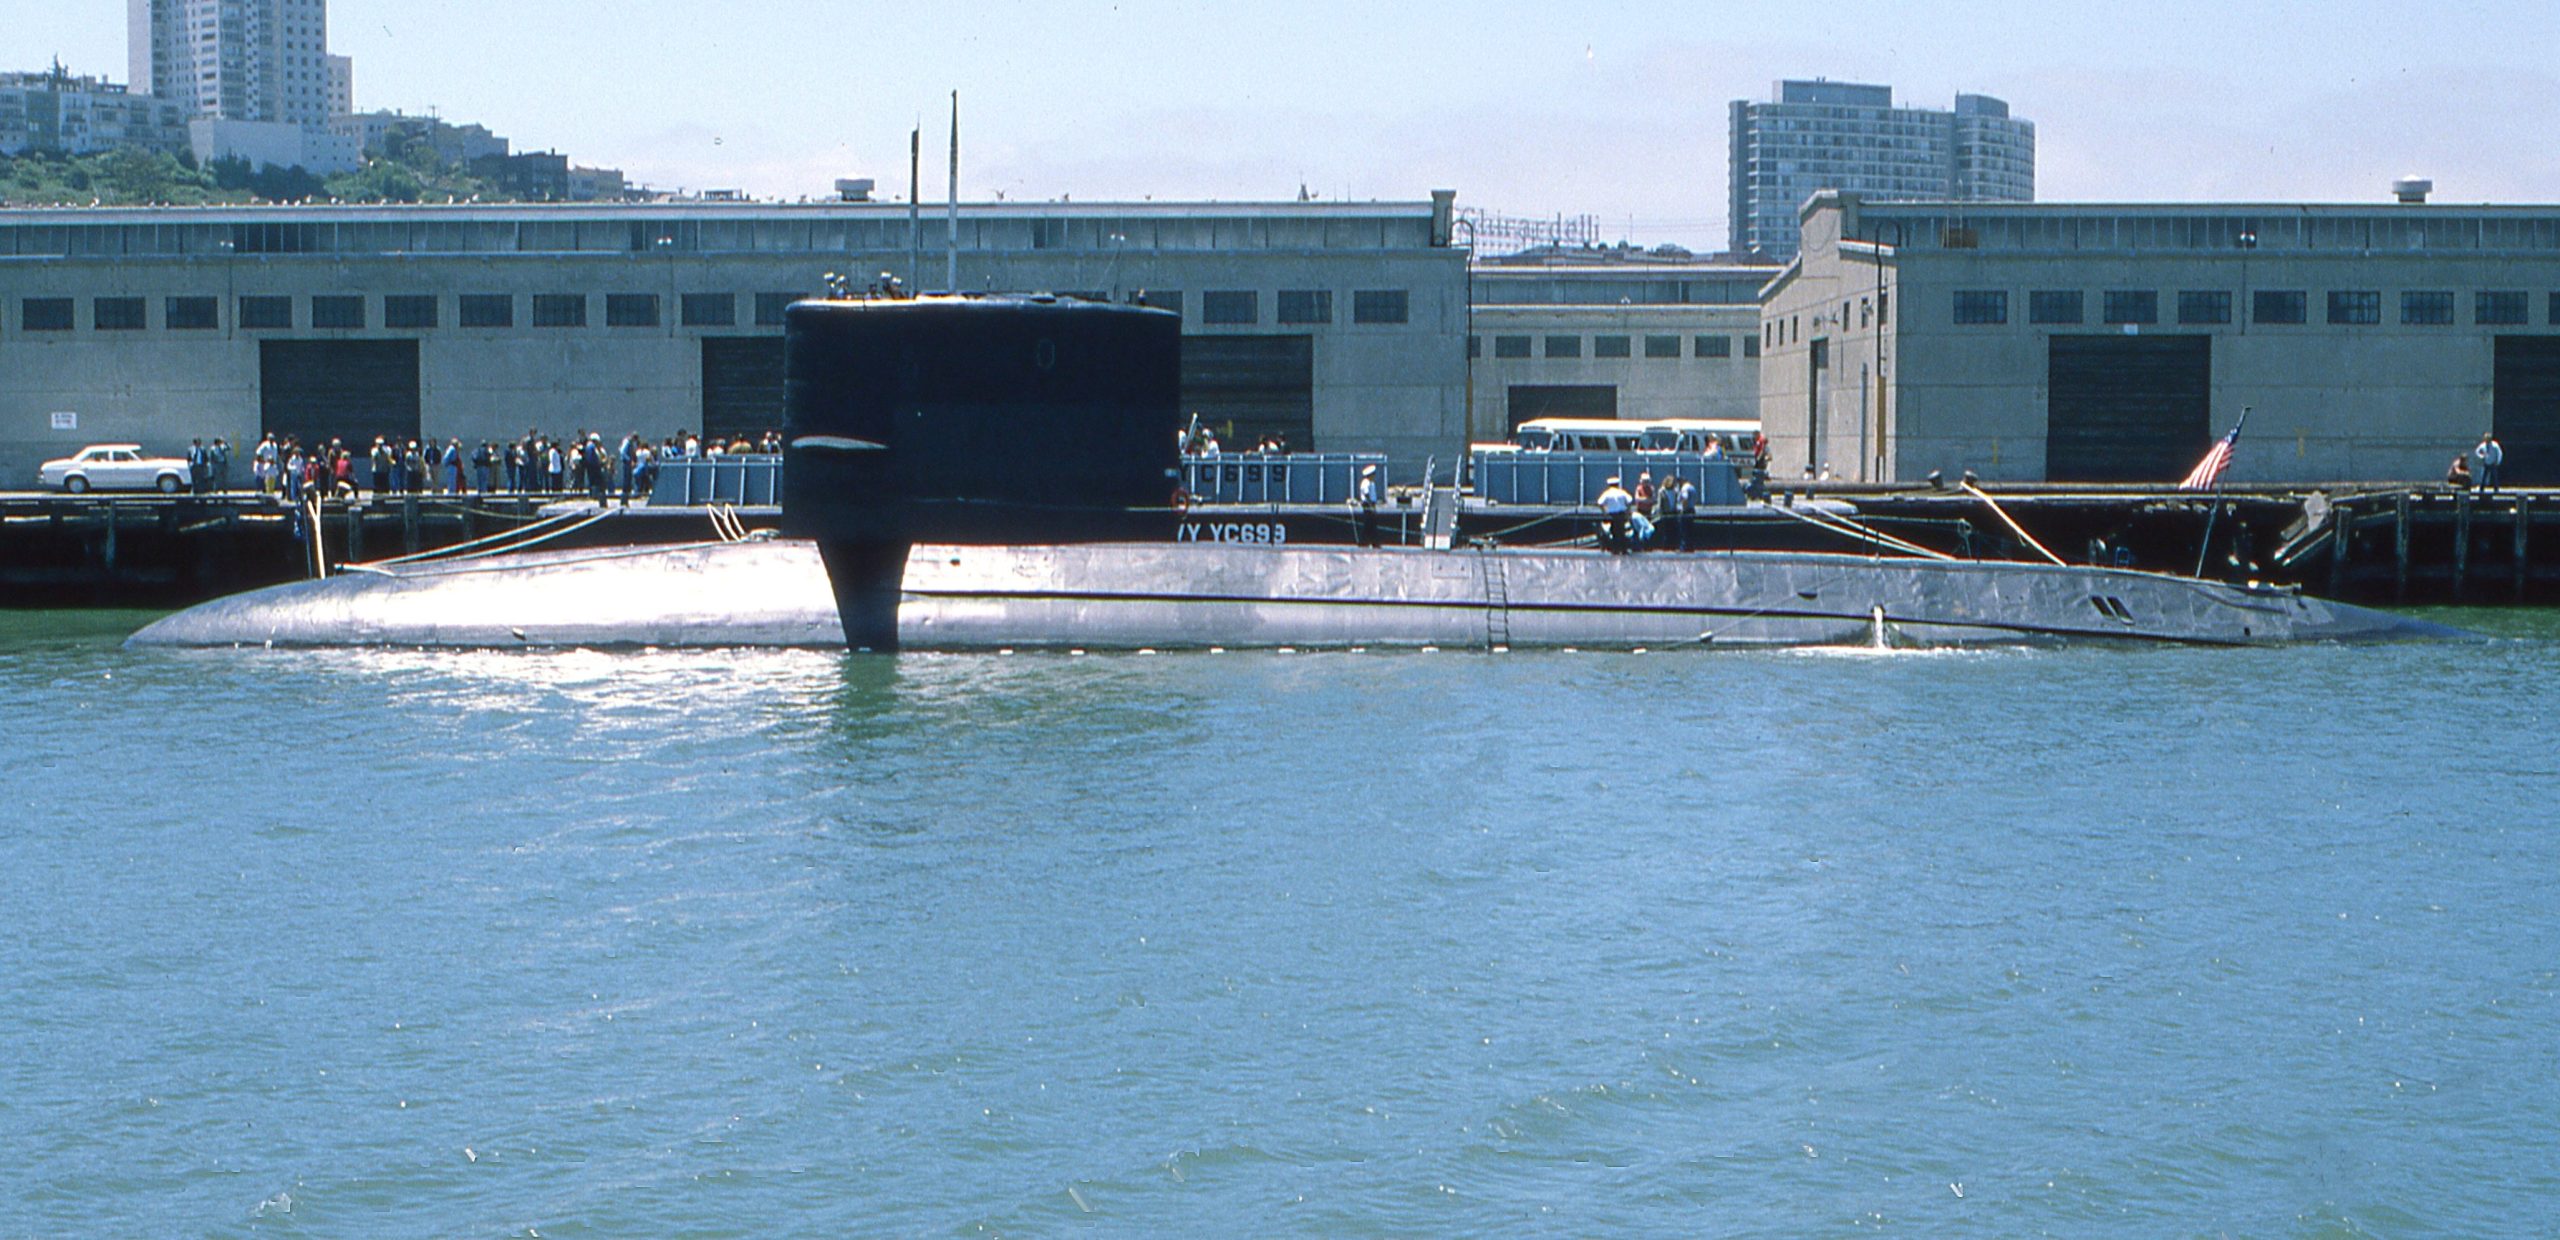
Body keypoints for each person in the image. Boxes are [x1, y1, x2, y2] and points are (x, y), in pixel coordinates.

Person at [1595, 474, 1633, 553]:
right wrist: (1628, 511)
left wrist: (1604, 511)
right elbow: (1629, 501)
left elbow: (1599, 503)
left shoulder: (1607, 493)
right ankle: (1623, 549)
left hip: (1612, 515)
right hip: (1621, 514)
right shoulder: (1622, 492)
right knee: (1622, 531)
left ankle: (1615, 549)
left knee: (1614, 531)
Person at [1353, 463, 1380, 547]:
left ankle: (1371, 542)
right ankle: (1364, 542)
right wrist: (1371, 506)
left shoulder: (1371, 483)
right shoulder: (1366, 483)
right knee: (1369, 524)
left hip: (1371, 504)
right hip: (1367, 505)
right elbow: (1366, 495)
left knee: (1371, 524)